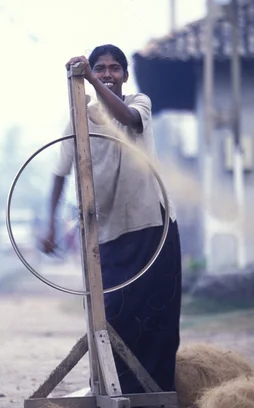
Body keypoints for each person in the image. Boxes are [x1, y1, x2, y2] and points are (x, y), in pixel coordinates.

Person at [42, 44, 183, 394]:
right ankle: (113, 389)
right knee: (113, 315)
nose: (107, 73)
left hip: (152, 226)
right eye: (100, 68)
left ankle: (156, 394)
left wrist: (87, 75)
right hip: (103, 233)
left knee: (157, 317)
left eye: (114, 68)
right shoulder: (77, 118)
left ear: (125, 75)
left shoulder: (139, 103)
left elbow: (128, 120)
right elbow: (59, 173)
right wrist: (50, 224)